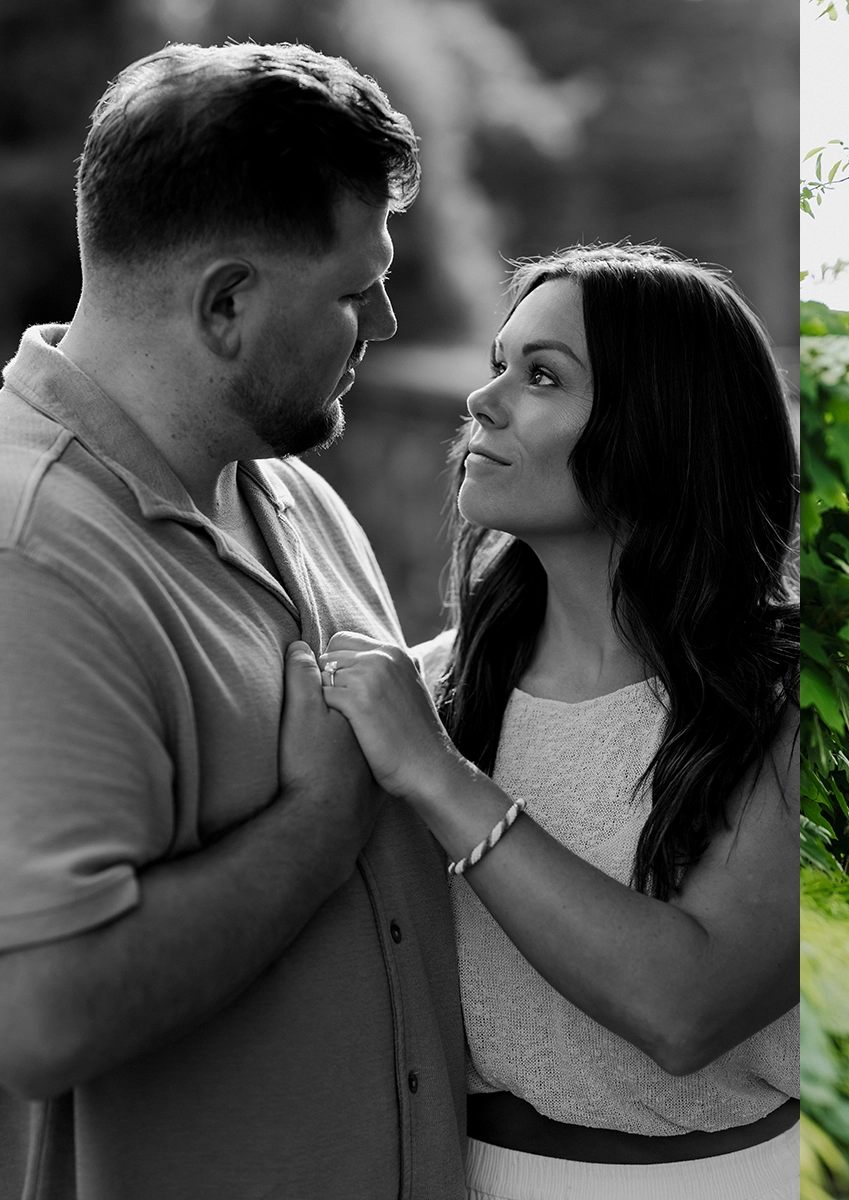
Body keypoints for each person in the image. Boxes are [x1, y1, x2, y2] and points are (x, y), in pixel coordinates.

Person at [0, 43, 470, 1198]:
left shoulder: (293, 487)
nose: (391, 322)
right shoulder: (33, 555)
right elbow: (44, 1016)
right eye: (355, 292)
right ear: (225, 306)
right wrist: (319, 824)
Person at [308, 244, 800, 1197]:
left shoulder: (786, 706)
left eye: (541, 376)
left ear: (660, 423)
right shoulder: (431, 693)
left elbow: (685, 1010)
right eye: (499, 363)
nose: (482, 401)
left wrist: (439, 776)